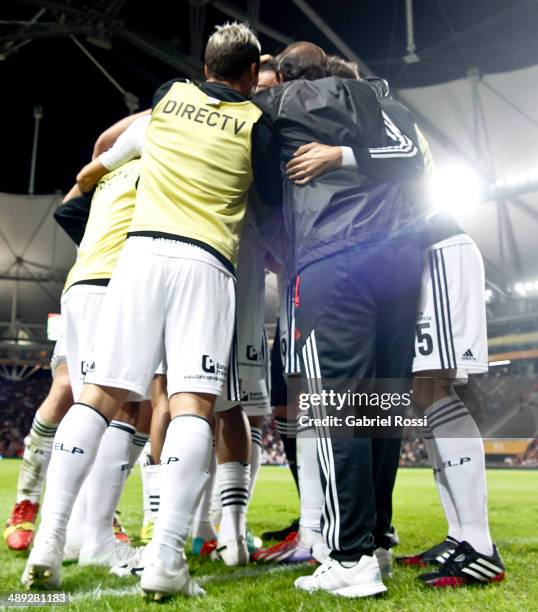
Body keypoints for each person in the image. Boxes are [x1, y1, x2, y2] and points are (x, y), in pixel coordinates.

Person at [22, 22, 281, 600]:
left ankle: (48, 543)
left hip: (137, 259)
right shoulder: (257, 124)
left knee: (98, 397)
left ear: (207, 66)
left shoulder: (168, 99)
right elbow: (270, 203)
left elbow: (102, 157)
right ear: (249, 72)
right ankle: (167, 560)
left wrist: (92, 175)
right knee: (192, 406)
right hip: (206, 264)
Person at [255, 42, 424, 598]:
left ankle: (348, 557)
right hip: (399, 262)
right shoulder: (375, 96)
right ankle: (376, 540)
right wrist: (348, 155)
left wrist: (328, 158)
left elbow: (256, 180)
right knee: (381, 408)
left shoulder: (276, 106)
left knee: (337, 409)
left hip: (332, 260)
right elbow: (413, 156)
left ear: (281, 74)